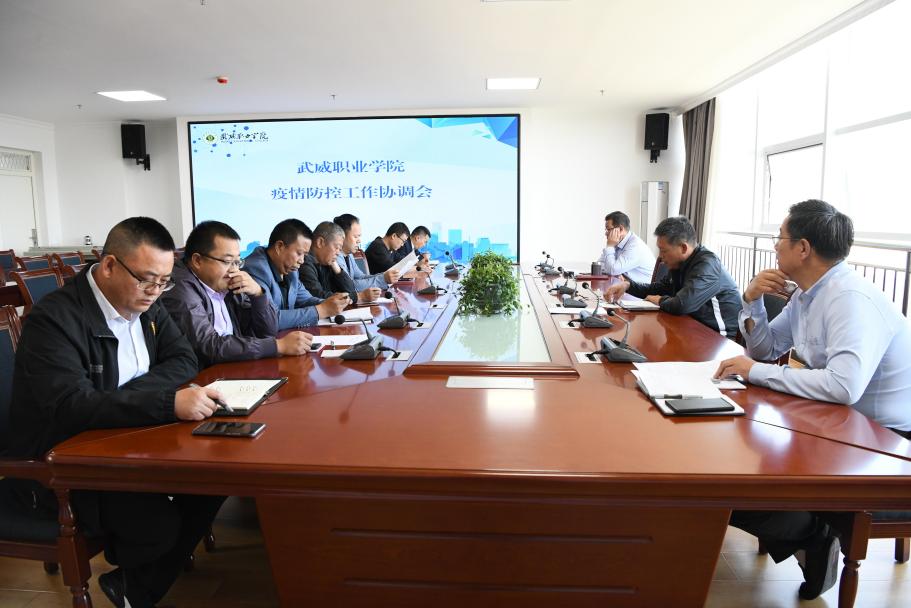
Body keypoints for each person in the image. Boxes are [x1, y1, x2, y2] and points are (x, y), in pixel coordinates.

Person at [6, 217, 226, 608]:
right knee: (157, 525)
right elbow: (71, 406)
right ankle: (138, 588)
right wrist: (164, 402)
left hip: (125, 439)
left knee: (215, 479)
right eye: (147, 280)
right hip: (63, 464)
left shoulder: (146, 304)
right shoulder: (54, 321)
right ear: (109, 265)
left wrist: (125, 399)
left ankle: (134, 586)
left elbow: (183, 358)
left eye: (164, 282)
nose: (155, 292)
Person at [714, 200, 911, 600]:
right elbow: (765, 350)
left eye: (780, 238)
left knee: (735, 488)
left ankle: (813, 535)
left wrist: (754, 372)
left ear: (803, 248)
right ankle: (811, 534)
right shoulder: (807, 295)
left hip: (884, 441)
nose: (775, 246)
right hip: (840, 423)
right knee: (731, 469)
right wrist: (751, 300)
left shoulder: (849, 298)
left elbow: (843, 386)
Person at [161, 220, 313, 368]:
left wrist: (258, 295)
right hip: (202, 377)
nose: (234, 270)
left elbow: (267, 332)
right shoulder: (179, 288)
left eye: (237, 262)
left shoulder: (229, 282)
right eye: (227, 261)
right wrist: (277, 346)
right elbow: (209, 346)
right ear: (197, 261)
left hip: (232, 368)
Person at [604, 215, 740, 337]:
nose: (660, 257)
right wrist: (628, 285)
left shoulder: (707, 265)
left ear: (683, 248)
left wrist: (659, 300)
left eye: (663, 251)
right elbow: (660, 288)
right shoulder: (679, 263)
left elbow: (681, 304)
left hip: (719, 336)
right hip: (691, 326)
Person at [244, 219, 349, 330]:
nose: (302, 261)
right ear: (279, 246)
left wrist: (329, 303)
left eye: (305, 255)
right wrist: (321, 310)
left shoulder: (291, 271)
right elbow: (271, 319)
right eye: (299, 253)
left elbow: (306, 300)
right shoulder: (255, 270)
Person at [299, 221, 380, 304]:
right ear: (320, 242)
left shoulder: (327, 262)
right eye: (337, 247)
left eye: (340, 249)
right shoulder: (303, 263)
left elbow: (350, 289)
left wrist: (337, 269)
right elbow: (318, 296)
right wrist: (359, 296)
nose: (338, 253)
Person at [333, 213, 400, 289]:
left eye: (359, 236)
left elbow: (361, 277)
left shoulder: (349, 255)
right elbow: (351, 285)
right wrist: (383, 279)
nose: (359, 241)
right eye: (355, 236)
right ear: (342, 236)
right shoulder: (335, 257)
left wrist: (383, 276)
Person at [597, 211, 655, 282]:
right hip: (626, 285)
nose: (606, 233)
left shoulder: (635, 246)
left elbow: (612, 270)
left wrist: (609, 247)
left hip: (641, 288)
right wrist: (616, 273)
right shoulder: (617, 242)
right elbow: (598, 265)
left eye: (608, 229)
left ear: (621, 229)